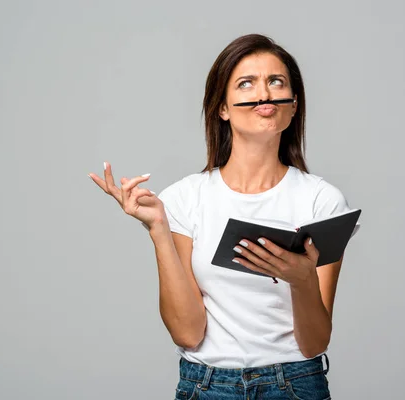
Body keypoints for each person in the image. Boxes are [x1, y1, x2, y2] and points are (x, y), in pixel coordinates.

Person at [89, 33, 357, 399]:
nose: (264, 94)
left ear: (293, 106)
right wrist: (159, 230)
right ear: (223, 107)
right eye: (246, 84)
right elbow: (188, 333)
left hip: (295, 385)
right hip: (207, 386)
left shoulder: (322, 201)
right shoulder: (184, 199)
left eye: (275, 81)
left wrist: (301, 279)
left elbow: (314, 344)